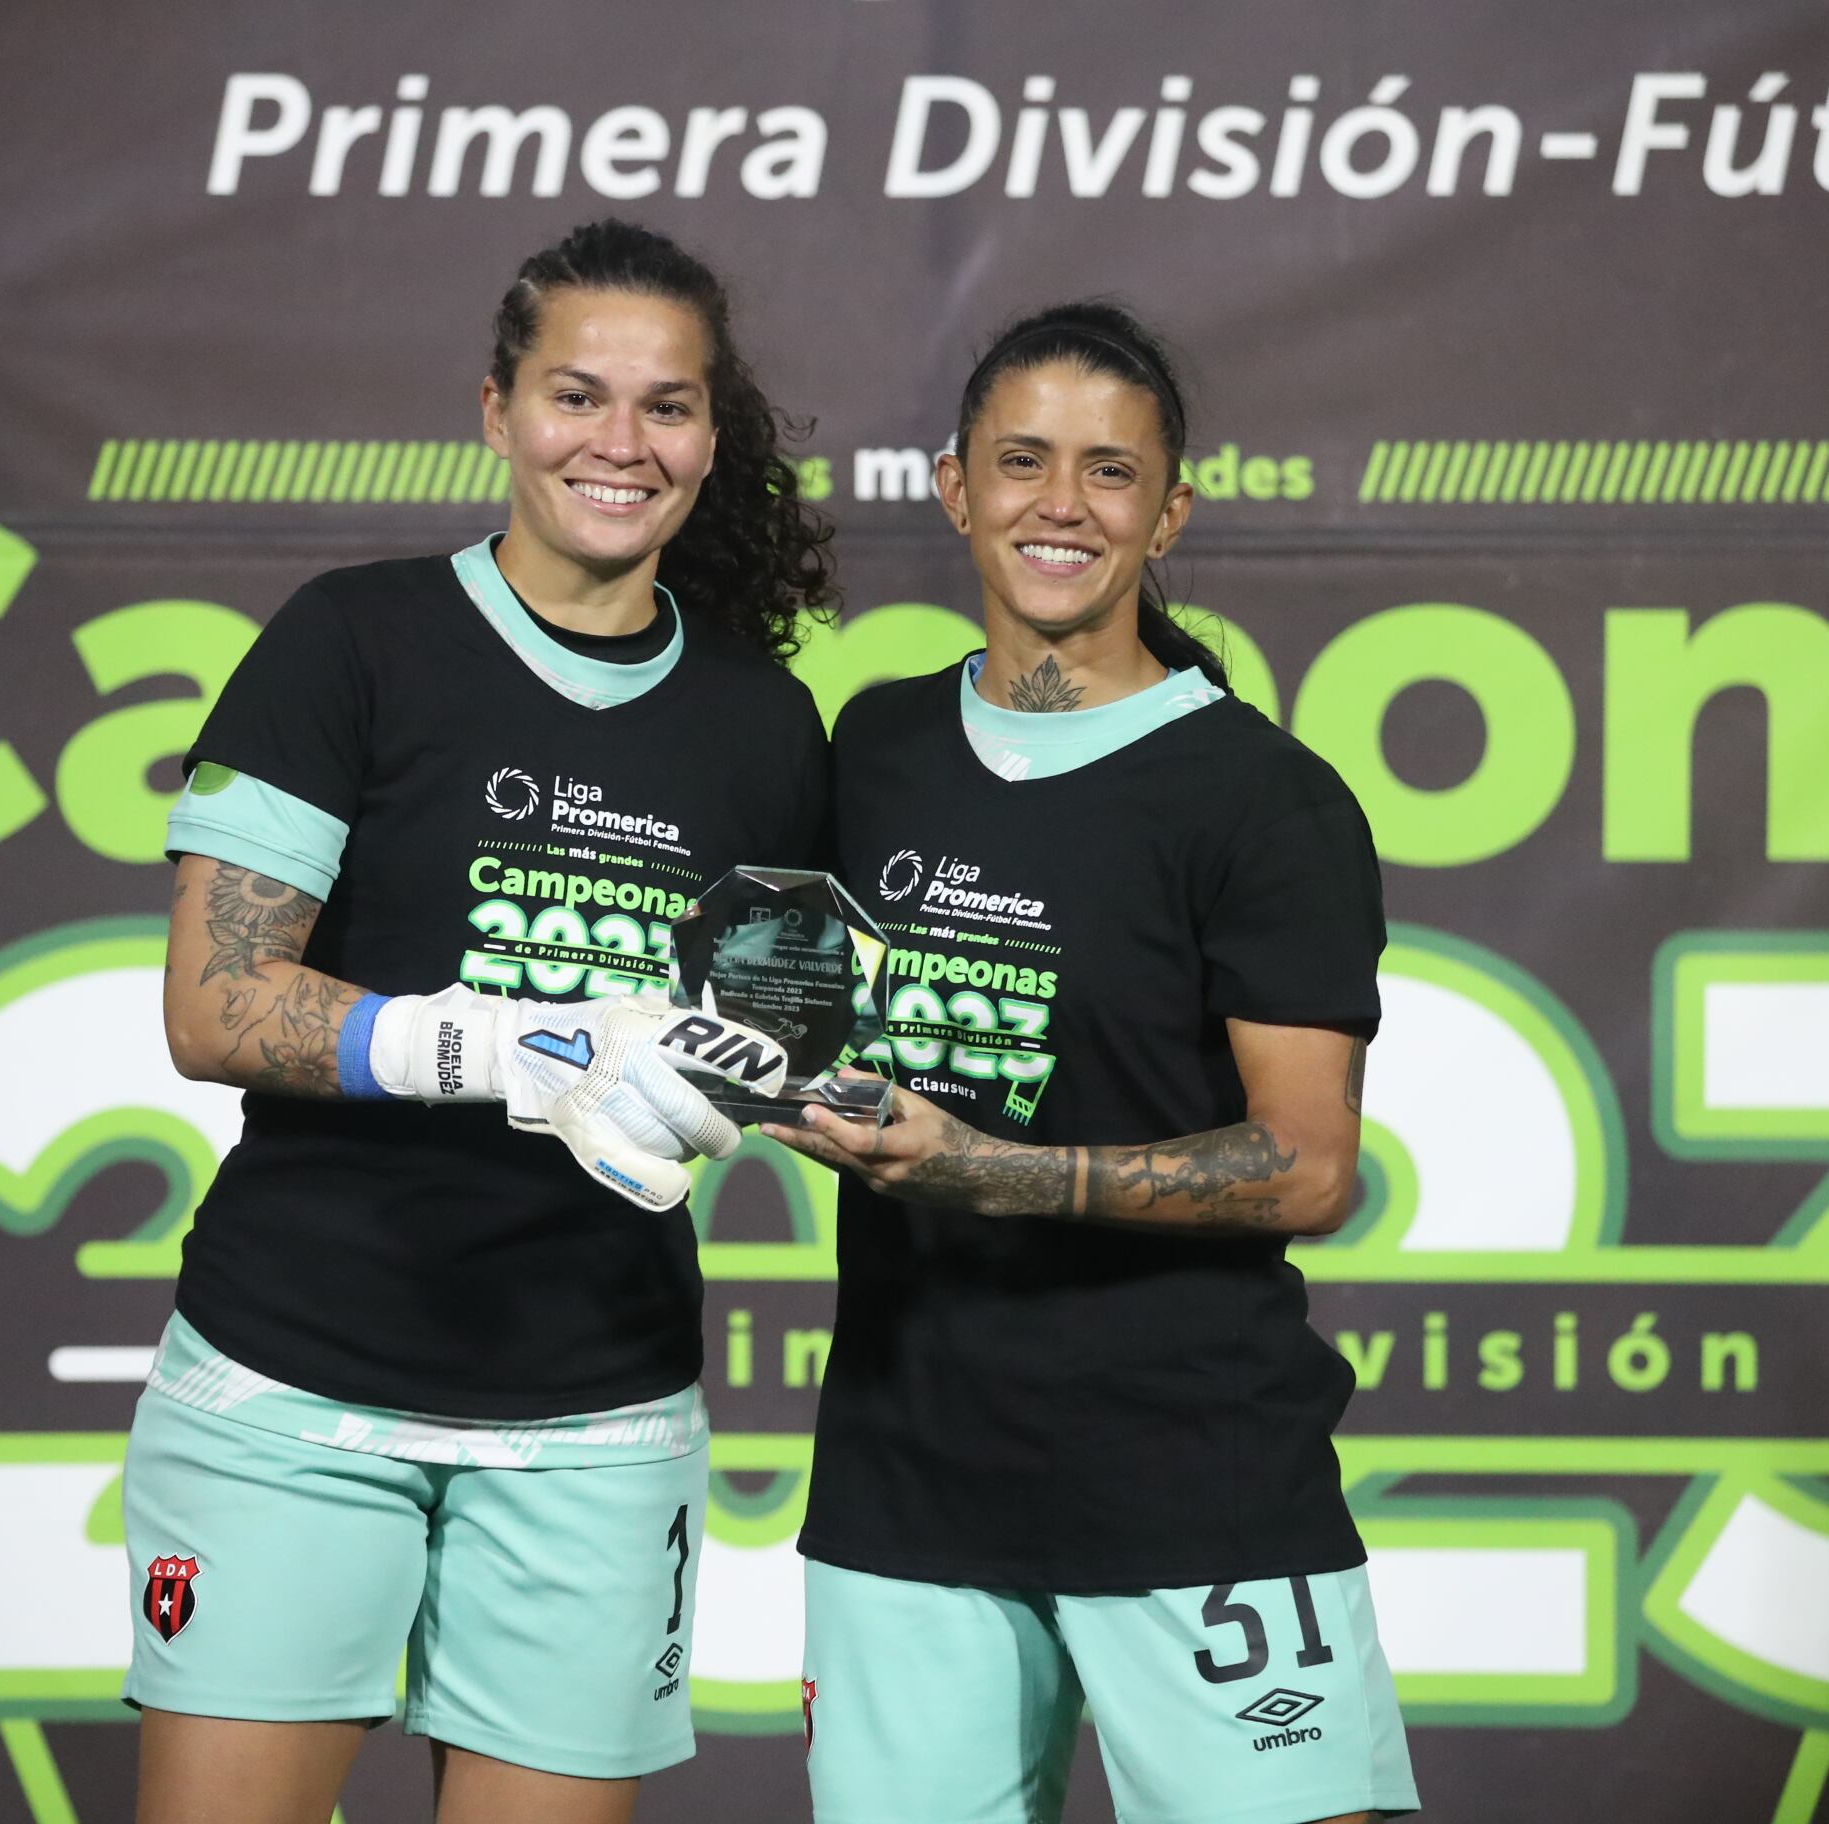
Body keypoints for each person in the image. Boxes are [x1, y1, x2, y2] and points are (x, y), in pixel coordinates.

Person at [123, 218, 835, 1824]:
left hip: (597, 1415)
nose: (621, 442)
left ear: (714, 441)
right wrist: (515, 1045)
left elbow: (767, 1039)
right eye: (577, 395)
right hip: (295, 1385)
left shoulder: (763, 726)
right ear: (497, 408)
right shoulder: (349, 639)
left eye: (667, 407)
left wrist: (743, 1087)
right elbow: (215, 1004)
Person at [773, 302, 1419, 1824]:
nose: (1060, 504)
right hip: (904, 1476)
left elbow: (1309, 1163)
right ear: (952, 486)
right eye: (1021, 461)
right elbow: (783, 1013)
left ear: (1169, 509)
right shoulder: (872, 749)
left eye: (1109, 472)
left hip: (1190, 1472)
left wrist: (985, 1169)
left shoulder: (1266, 800)